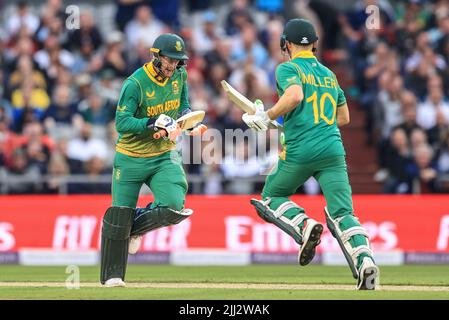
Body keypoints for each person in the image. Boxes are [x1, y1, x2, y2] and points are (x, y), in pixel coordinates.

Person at [242, 19, 379, 290]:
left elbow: (294, 96)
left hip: (301, 150)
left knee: (271, 196)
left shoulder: (288, 67)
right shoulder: (329, 74)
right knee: (343, 212)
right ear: (314, 44)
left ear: (286, 44)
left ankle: (305, 227)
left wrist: (267, 116)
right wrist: (296, 122)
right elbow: (344, 117)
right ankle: (365, 261)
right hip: (332, 149)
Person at [100, 33, 207, 287]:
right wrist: (153, 121)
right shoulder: (135, 83)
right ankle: (112, 276)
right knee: (120, 214)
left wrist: (188, 122)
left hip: (164, 155)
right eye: (169, 60)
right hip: (130, 157)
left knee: (173, 206)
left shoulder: (180, 76)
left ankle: (134, 228)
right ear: (156, 56)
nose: (173, 66)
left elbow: (183, 106)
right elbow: (122, 123)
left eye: (178, 61)